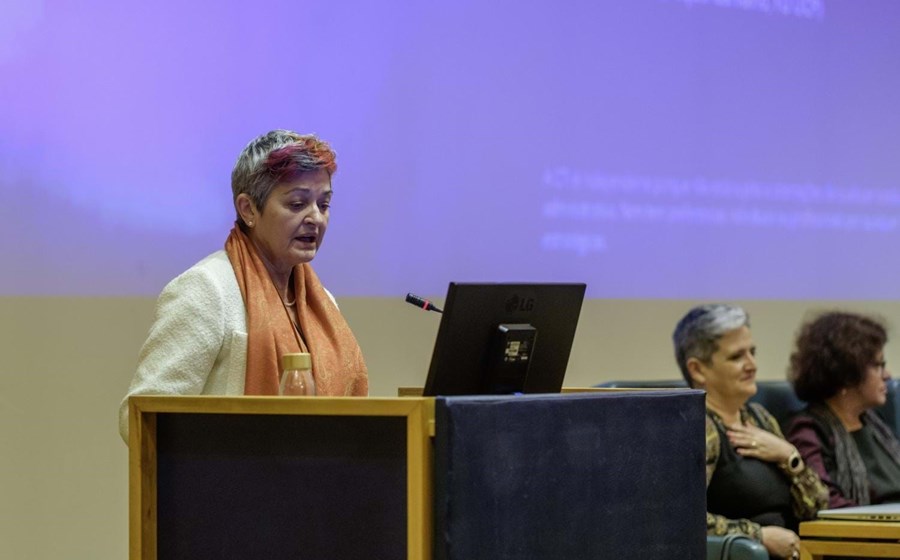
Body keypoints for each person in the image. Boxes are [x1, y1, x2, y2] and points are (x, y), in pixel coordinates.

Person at [118, 129, 368, 441]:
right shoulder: (206, 289)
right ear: (248, 209)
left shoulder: (323, 303)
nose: (315, 218)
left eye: (324, 204)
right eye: (297, 204)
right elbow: (140, 417)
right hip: (228, 484)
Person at [673, 304, 827, 560]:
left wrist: (789, 456)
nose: (752, 365)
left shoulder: (760, 418)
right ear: (698, 369)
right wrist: (759, 536)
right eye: (737, 357)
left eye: (752, 352)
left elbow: (817, 507)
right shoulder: (699, 427)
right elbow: (680, 518)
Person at [786, 312, 900, 508]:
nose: (887, 375)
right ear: (847, 374)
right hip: (865, 533)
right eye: (878, 366)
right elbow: (827, 502)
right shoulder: (808, 431)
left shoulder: (874, 422)